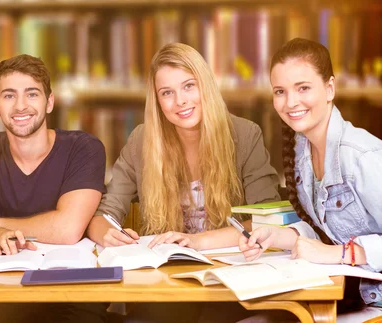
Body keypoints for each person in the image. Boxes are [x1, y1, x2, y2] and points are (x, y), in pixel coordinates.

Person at [0, 54, 107, 322]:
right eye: (9, 96)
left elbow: (68, 229)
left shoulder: (84, 148)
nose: (21, 106)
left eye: (32, 94)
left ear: (49, 102)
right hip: (4, 289)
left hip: (74, 290)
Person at [239, 38, 382, 322]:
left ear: (330, 88)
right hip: (348, 297)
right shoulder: (303, 152)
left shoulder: (361, 156)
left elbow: (333, 249)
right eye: (280, 91)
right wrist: (282, 237)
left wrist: (339, 254)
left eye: (303, 88)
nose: (290, 102)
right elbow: (329, 231)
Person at [86, 43, 280, 251]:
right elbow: (104, 215)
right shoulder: (141, 140)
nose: (180, 101)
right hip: (166, 268)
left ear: (205, 85)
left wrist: (199, 242)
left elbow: (268, 220)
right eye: (167, 93)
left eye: (189, 86)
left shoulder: (245, 135)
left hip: (229, 265)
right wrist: (109, 234)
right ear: (157, 101)